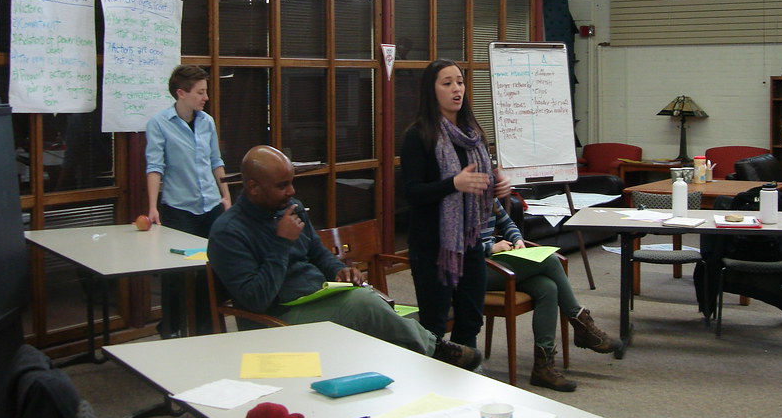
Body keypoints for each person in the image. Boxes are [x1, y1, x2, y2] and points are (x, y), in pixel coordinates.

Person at [207, 145, 481, 369]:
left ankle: (426, 362)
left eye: (292, 182)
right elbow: (255, 299)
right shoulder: (228, 233)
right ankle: (436, 352)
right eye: (282, 186)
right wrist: (280, 243)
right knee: (365, 306)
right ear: (253, 188)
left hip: (317, 296)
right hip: (276, 316)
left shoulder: (291, 208)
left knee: (368, 301)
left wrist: (338, 270)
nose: (292, 192)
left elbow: (317, 253)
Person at [400, 59, 511, 350]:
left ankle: (466, 376)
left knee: (471, 319)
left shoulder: (474, 136)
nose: (456, 89)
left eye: (459, 82)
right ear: (431, 90)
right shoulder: (418, 135)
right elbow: (411, 193)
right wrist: (453, 185)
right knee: (434, 323)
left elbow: (483, 182)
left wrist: (499, 186)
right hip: (432, 246)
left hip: (470, 241)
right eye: (447, 83)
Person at [482, 199, 617, 392]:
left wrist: (517, 240)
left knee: (548, 287)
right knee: (551, 261)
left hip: (497, 264)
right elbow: (454, 245)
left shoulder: (488, 194)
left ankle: (542, 367)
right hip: (474, 269)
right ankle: (581, 324)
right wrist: (491, 248)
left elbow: (507, 223)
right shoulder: (460, 199)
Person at [145, 65, 231, 337]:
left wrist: (226, 195)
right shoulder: (159, 123)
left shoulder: (207, 122)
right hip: (179, 208)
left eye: (205, 91)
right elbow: (155, 166)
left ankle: (206, 325)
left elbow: (216, 161)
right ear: (181, 93)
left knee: (216, 266)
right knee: (177, 272)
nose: (205, 97)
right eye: (200, 92)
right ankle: (170, 326)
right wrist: (152, 207)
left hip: (210, 204)